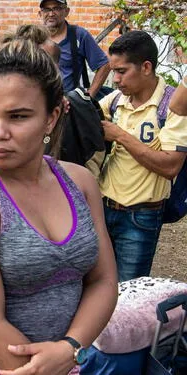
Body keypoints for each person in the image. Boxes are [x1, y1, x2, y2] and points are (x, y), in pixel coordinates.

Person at [0, 38, 118, 374]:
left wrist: (71, 348)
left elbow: (104, 280)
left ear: (51, 118)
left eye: (18, 116)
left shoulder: (80, 183)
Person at [99, 31, 187, 281]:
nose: (115, 79)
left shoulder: (173, 106)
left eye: (122, 71)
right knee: (96, 288)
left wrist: (120, 135)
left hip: (141, 217)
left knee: (128, 293)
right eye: (113, 71)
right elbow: (89, 116)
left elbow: (170, 166)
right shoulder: (116, 100)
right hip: (103, 209)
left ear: (146, 67)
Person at [39, 0, 111, 98]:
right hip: (42, 100)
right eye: (47, 9)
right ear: (40, 13)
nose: (51, 14)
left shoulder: (79, 35)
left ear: (66, 11)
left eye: (57, 8)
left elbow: (104, 65)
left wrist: (88, 97)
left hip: (71, 101)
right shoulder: (35, 37)